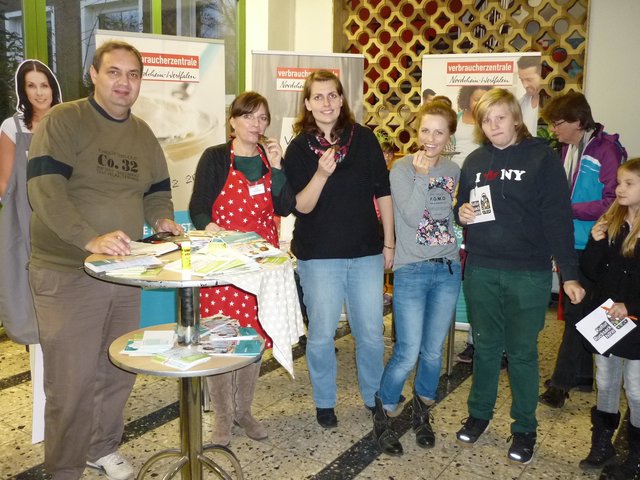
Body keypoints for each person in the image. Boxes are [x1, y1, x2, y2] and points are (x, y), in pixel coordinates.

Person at [27, 40, 183, 480]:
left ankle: (101, 447)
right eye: (114, 72)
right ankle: (64, 469)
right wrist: (88, 238)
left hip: (123, 271)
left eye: (133, 75)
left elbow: (156, 192)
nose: (124, 82)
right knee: (71, 383)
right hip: (66, 272)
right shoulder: (64, 120)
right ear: (93, 75)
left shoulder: (143, 133)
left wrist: (163, 219)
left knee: (119, 367)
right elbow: (45, 191)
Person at [454, 88, 584, 465]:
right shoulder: (475, 161)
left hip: (528, 273)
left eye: (500, 117)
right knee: (486, 349)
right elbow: (463, 208)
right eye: (486, 119)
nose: (493, 125)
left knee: (523, 354)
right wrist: (460, 213)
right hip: (481, 269)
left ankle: (524, 428)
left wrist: (570, 274)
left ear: (515, 119)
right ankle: (479, 415)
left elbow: (558, 219)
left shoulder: (541, 158)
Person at [283, 69, 394, 428]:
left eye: (332, 95)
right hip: (318, 257)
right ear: (307, 104)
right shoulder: (299, 148)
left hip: (366, 253)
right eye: (318, 97)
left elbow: (384, 192)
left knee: (371, 334)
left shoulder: (364, 139)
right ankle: (325, 401)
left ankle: (373, 396)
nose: (326, 103)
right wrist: (321, 174)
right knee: (320, 335)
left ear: (342, 99)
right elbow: (301, 206)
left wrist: (389, 241)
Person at [188, 91, 296, 446]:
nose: (257, 124)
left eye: (263, 118)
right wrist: (213, 229)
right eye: (249, 116)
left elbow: (285, 206)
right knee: (221, 339)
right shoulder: (216, 157)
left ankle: (243, 411)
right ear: (233, 121)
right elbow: (198, 207)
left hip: (260, 266)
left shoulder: (269, 160)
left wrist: (279, 169)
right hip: (224, 264)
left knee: (252, 339)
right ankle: (221, 419)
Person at [373, 100, 461, 456]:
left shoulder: (454, 170)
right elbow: (409, 216)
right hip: (411, 269)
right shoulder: (403, 168)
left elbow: (450, 217)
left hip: (447, 269)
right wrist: (424, 178)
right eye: (425, 130)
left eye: (439, 132)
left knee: (433, 353)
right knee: (407, 352)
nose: (430, 138)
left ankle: (422, 412)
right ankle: (384, 409)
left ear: (449, 136)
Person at [539, 91, 626, 408]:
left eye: (558, 123)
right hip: (569, 242)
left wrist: (569, 208)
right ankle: (584, 377)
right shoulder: (568, 149)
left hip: (595, 244)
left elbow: (612, 200)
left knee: (579, 313)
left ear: (577, 121)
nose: (554, 130)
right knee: (583, 310)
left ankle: (560, 386)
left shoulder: (606, 150)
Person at [576, 158, 640, 478]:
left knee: (638, 388)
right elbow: (591, 271)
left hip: (635, 322)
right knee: (606, 381)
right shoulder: (612, 221)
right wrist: (596, 242)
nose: (619, 188)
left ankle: (635, 452)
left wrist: (631, 305)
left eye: (629, 183)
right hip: (607, 319)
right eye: (619, 182)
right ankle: (603, 444)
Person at [0, 59, 61, 345]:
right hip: (25, 217)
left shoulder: (66, 123)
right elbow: (5, 183)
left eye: (44, 85)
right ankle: (33, 335)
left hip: (61, 215)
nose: (39, 92)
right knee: (25, 280)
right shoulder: (11, 128)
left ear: (53, 88)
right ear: (23, 91)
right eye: (31, 86)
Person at [453, 85, 492, 169]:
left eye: (484, 100)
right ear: (467, 99)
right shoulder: (455, 118)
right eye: (476, 99)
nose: (480, 103)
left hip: (478, 170)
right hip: (454, 169)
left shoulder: (490, 121)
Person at [516, 55, 542, 136]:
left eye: (529, 80)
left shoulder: (552, 103)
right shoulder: (519, 104)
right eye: (521, 80)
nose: (524, 85)